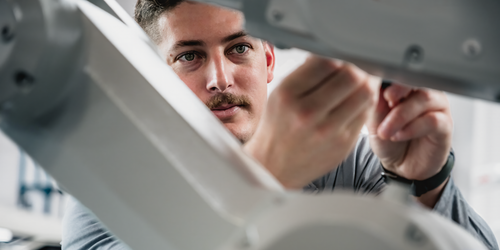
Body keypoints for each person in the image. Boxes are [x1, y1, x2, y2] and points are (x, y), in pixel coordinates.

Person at [61, 1, 498, 249]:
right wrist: (267, 174)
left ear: (268, 60)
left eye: (238, 50)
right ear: (157, 75)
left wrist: (424, 183)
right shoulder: (109, 187)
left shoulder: (349, 160)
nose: (219, 79)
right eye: (189, 56)